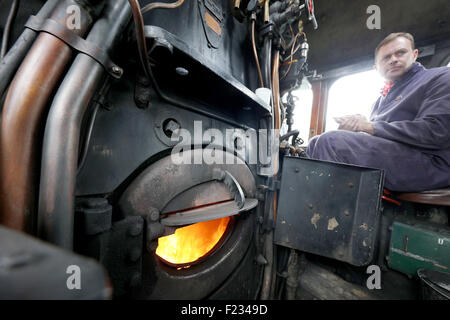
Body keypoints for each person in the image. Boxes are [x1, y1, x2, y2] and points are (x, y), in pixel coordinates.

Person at [306, 32, 450, 192]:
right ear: (376, 68)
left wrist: (369, 127)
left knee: (331, 142)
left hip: (432, 164)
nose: (394, 59)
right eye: (386, 58)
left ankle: (327, 214)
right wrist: (355, 130)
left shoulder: (440, 77)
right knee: (314, 143)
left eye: (400, 53)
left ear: (414, 55)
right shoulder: (380, 100)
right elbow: (380, 137)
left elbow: (436, 131)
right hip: (402, 159)